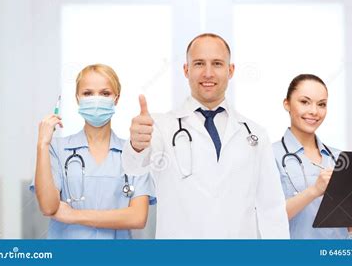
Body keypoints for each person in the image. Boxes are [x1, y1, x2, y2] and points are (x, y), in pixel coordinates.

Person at [122, 33, 289, 238]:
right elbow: (133, 165)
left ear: (230, 70)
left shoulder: (254, 134)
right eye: (199, 63)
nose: (208, 73)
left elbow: (271, 209)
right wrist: (136, 145)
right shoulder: (161, 127)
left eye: (217, 64)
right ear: (186, 70)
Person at [31, 64, 156, 239]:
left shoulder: (134, 152)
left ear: (116, 99)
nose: (96, 100)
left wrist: (73, 215)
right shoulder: (56, 149)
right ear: (78, 98)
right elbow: (48, 207)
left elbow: (138, 217)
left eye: (105, 93)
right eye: (88, 93)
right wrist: (42, 144)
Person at [272, 74, 352, 239]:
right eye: (304, 102)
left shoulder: (340, 158)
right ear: (287, 104)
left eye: (322, 104)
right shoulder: (269, 156)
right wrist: (314, 190)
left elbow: (343, 227)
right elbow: (269, 218)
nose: (314, 111)